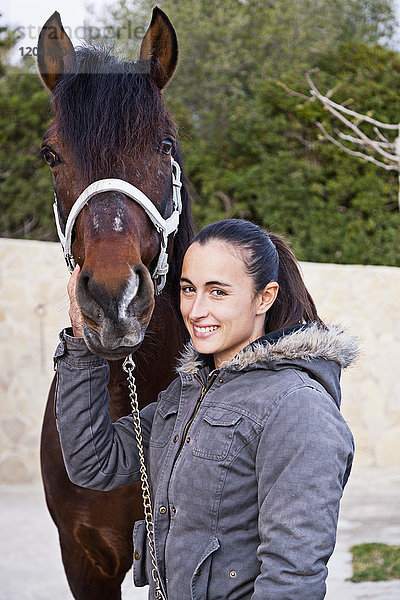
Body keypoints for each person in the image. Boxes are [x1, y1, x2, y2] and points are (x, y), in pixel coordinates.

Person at [54, 219, 356, 600]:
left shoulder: (300, 409)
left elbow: (292, 577)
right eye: (188, 289)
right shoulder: (188, 393)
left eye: (218, 292)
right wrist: (83, 342)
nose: (196, 310)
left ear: (265, 297)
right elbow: (94, 463)